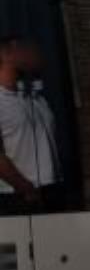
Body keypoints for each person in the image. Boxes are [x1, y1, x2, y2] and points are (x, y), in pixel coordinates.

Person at [0, 35, 61, 213]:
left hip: (52, 188)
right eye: (21, 48)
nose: (29, 52)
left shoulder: (34, 96)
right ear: (7, 54)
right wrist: (26, 188)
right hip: (19, 196)